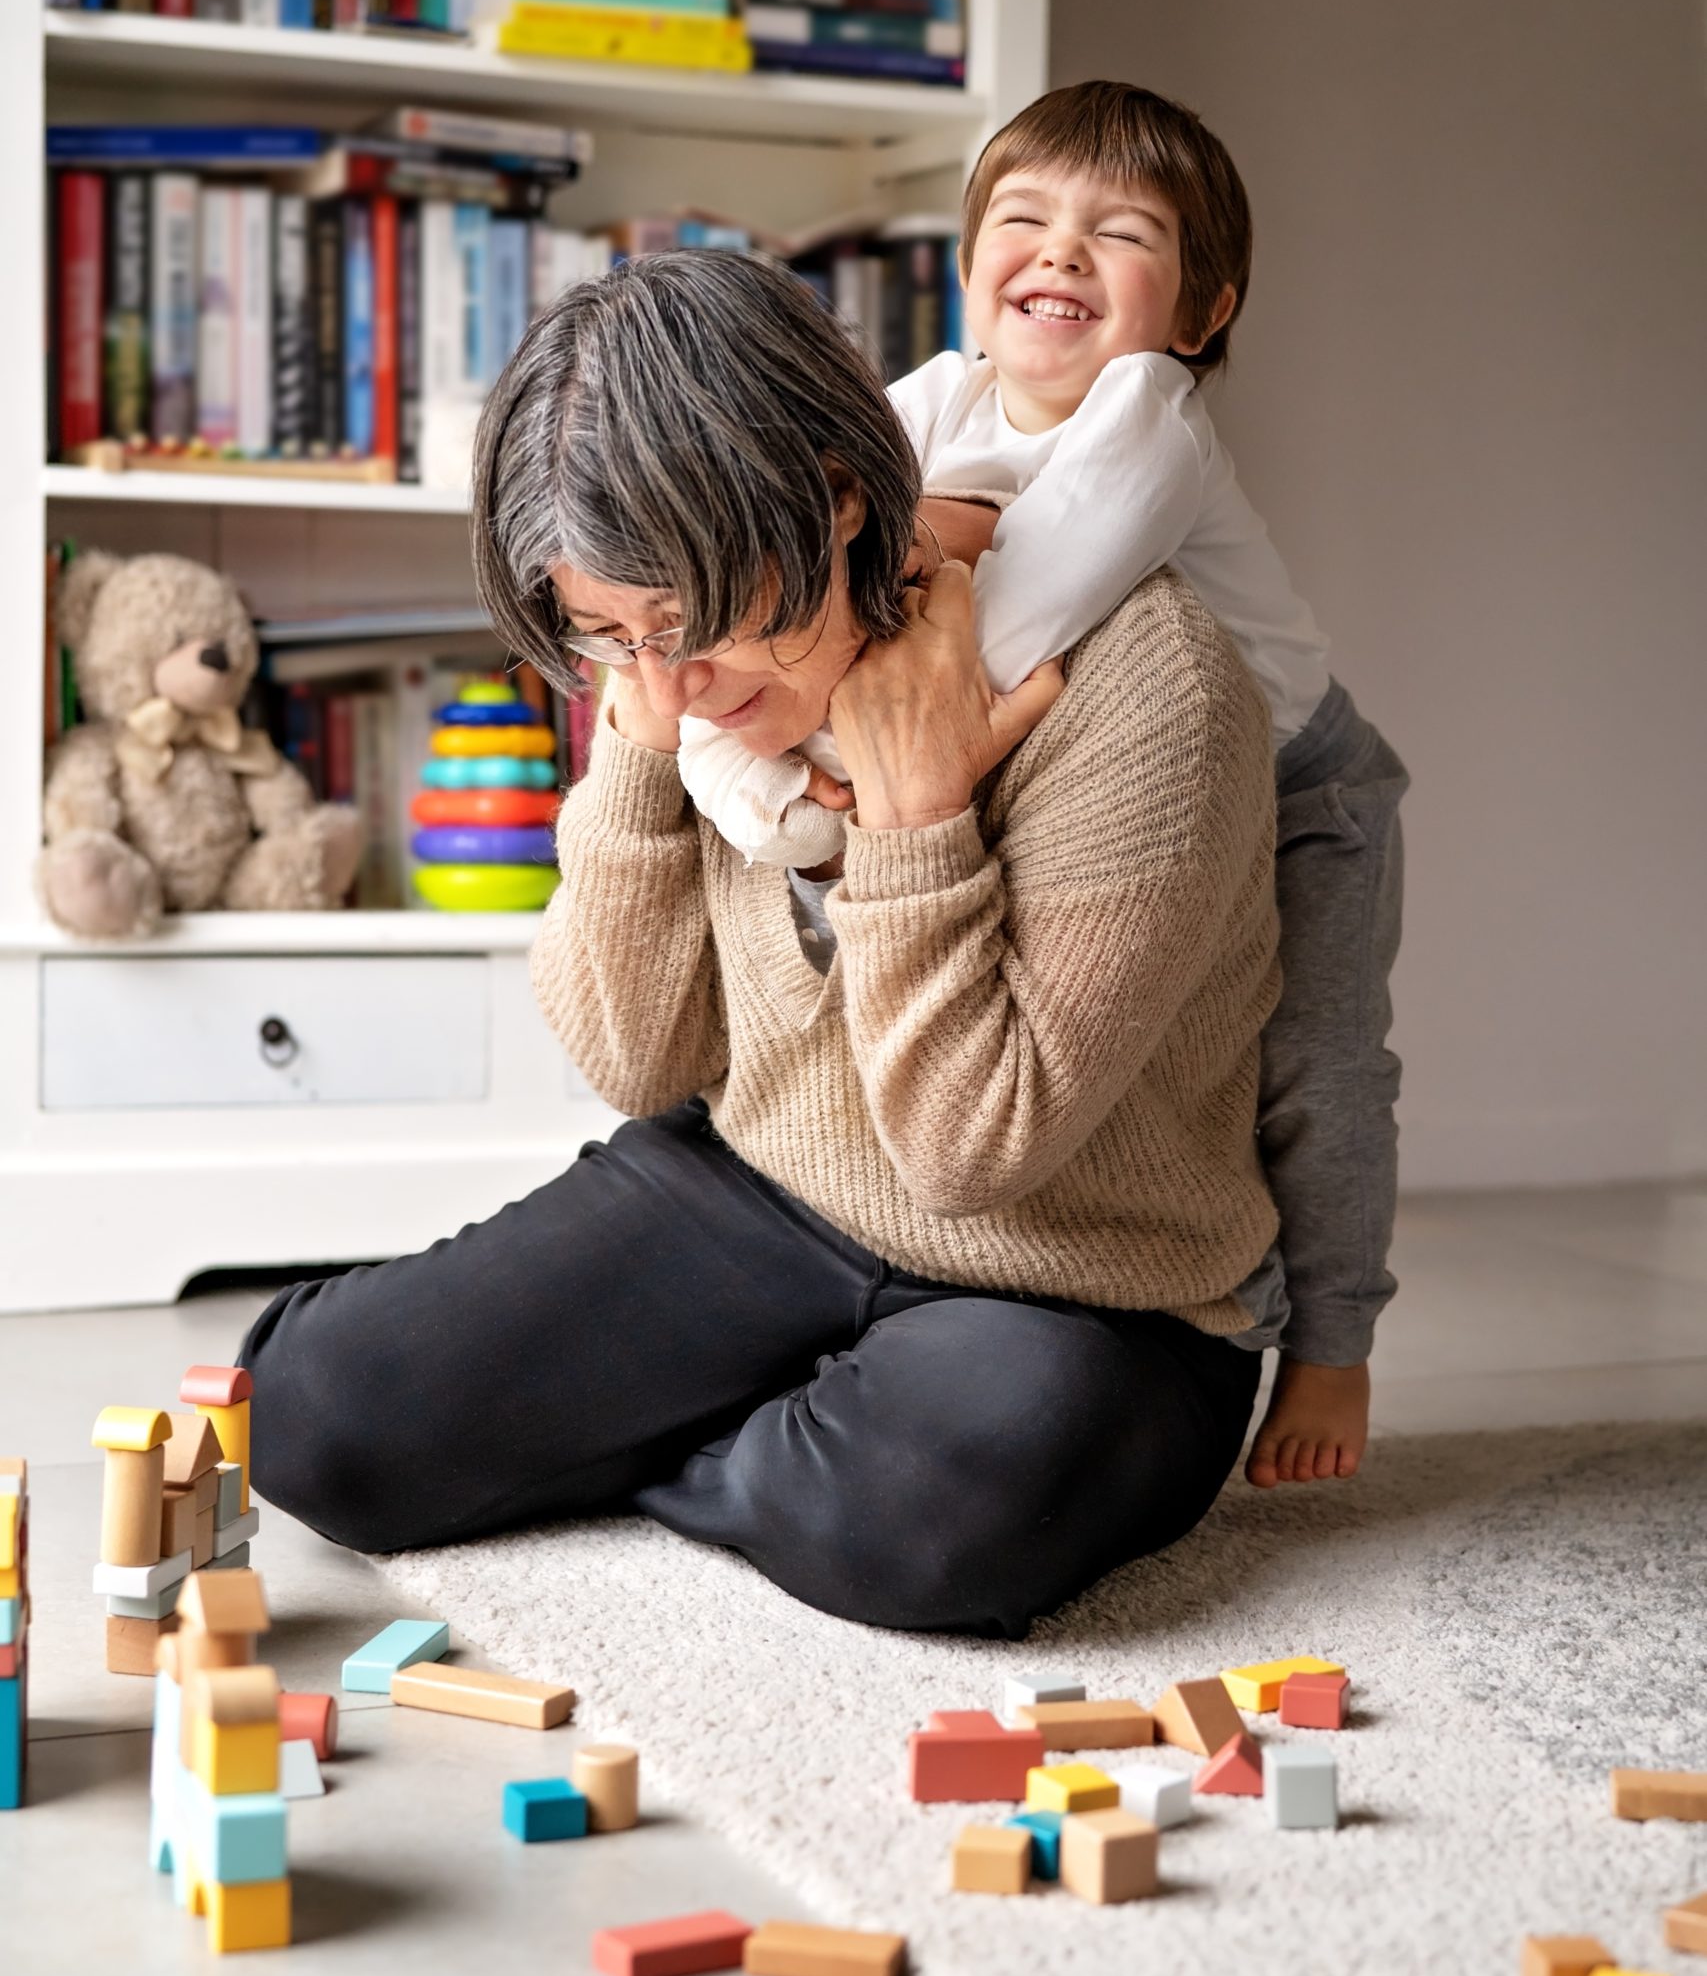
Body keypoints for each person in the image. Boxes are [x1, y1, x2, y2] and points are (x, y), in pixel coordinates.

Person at [241, 243, 1283, 1639]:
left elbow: (975, 1152)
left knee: (936, 1519)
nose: (674, 690)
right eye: (606, 635)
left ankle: (707, 1436)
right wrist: (632, 758)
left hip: (1079, 1278)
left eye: (691, 626)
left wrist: (917, 814)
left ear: (838, 500)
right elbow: (635, 1056)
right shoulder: (669, 691)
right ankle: (770, 1433)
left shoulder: (1152, 685)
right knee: (315, 1419)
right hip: (761, 1184)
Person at [681, 81, 1406, 1488]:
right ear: (968, 270)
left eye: (1117, 234)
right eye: (1025, 220)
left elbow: (1009, 633)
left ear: (1199, 313)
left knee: (1316, 1074)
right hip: (1109, 792)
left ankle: (1329, 1343)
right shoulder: (936, 403)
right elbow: (813, 527)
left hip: (1305, 788)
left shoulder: (1155, 420)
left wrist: (895, 590)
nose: (1061, 252)